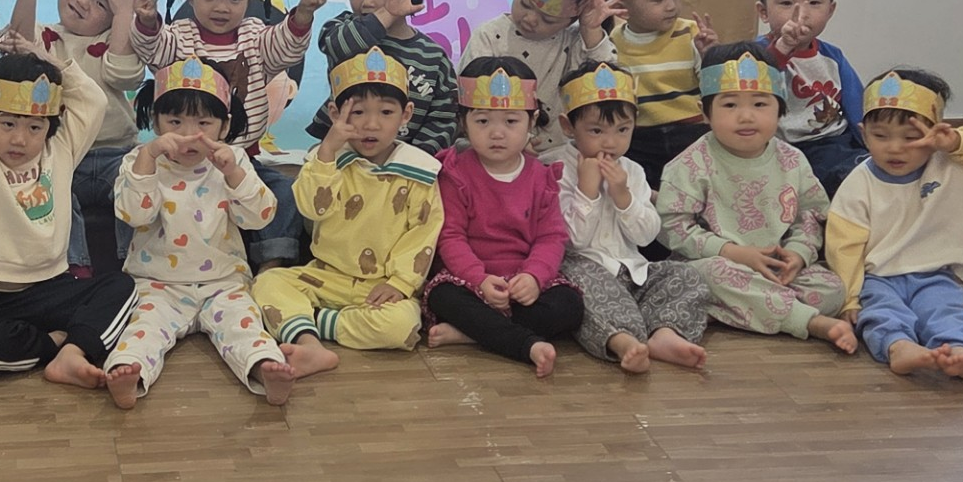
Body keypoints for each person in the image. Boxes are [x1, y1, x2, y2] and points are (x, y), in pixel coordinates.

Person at [104, 59, 314, 409]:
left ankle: (265, 369)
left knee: (246, 330)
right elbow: (134, 213)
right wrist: (149, 157)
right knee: (142, 332)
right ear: (155, 121)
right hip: (158, 283)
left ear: (224, 125)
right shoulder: (140, 161)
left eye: (203, 123)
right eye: (175, 122)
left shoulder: (233, 161)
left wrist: (233, 174)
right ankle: (129, 373)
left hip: (224, 282)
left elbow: (260, 216)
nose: (189, 135)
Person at [0, 28, 137, 387]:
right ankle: (59, 342)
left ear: (48, 127)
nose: (19, 138)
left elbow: (93, 101)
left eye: (34, 127)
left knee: (122, 287)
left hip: (55, 287)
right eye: (7, 124)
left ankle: (72, 354)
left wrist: (51, 61)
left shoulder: (61, 150)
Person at [131, 0, 331, 268]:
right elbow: (154, 47)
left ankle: (272, 263)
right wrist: (149, 22)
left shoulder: (255, 35)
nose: (221, 7)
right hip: (181, 163)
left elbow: (285, 46)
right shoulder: (180, 35)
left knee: (282, 192)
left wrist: (303, 15)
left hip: (242, 159)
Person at [656, 43, 856, 353]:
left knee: (831, 288)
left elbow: (811, 216)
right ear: (704, 113)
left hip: (775, 270)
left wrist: (797, 255)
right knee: (707, 277)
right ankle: (807, 321)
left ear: (781, 109)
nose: (746, 116)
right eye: (730, 105)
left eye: (760, 104)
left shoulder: (793, 160)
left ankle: (742, 308)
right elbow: (672, 225)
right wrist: (733, 253)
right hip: (716, 265)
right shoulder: (690, 164)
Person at [252, 48, 441, 367]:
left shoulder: (418, 171)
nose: (371, 124)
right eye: (358, 112)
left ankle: (313, 323)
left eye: (386, 112)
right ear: (334, 112)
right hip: (324, 277)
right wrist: (327, 151)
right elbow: (311, 208)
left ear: (406, 114)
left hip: (380, 287)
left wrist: (400, 284)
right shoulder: (327, 160)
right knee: (267, 284)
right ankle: (309, 343)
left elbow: (422, 236)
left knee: (401, 326)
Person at [826, 69, 963, 380]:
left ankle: (961, 350)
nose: (895, 148)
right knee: (880, 312)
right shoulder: (859, 183)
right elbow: (843, 247)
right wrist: (850, 298)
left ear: (936, 132)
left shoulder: (958, 167)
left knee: (945, 309)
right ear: (863, 134)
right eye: (880, 136)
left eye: (911, 138)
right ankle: (899, 347)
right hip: (878, 277)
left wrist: (957, 142)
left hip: (936, 273)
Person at [543, 62, 713, 373]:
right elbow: (572, 241)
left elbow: (646, 236)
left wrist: (623, 196)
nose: (611, 142)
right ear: (568, 126)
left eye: (623, 130)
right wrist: (586, 191)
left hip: (632, 270)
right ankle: (622, 341)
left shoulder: (632, 171)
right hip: (582, 269)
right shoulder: (554, 169)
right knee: (581, 291)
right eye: (596, 131)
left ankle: (665, 333)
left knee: (686, 275)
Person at [421, 58, 581, 378]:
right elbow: (451, 237)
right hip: (470, 281)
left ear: (531, 121)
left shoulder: (542, 177)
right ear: (463, 122)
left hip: (522, 281)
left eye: (510, 121)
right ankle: (523, 344)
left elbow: (551, 237)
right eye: (482, 121)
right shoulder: (455, 173)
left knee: (569, 306)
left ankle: (475, 332)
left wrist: (533, 277)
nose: (497, 133)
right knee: (443, 296)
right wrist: (479, 280)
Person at [8, 0, 150, 274]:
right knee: (51, 190)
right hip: (66, 154)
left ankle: (135, 264)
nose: (85, 2)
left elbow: (123, 75)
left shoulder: (116, 41)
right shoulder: (44, 35)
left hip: (117, 153)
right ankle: (74, 267)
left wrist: (125, 15)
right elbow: (18, 50)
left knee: (137, 185)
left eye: (103, 4)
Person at [461, 0, 622, 155]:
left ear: (571, 20)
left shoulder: (576, 42)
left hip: (559, 153)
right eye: (524, 4)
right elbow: (473, 102)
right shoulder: (489, 36)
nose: (530, 19)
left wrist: (591, 30)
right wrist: (516, 139)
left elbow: (606, 86)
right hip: (494, 148)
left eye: (548, 19)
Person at [308, 0, 459, 157]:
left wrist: (414, 159)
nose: (367, 1)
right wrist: (387, 12)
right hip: (342, 150)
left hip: (405, 159)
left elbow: (443, 118)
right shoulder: (341, 29)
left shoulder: (433, 56)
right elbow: (338, 47)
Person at [751, 0, 867, 196]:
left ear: (830, 10)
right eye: (786, 2)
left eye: (814, 2)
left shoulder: (832, 56)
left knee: (863, 169)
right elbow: (757, 84)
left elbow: (857, 104)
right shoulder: (756, 53)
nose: (801, 13)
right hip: (778, 146)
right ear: (763, 12)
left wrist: (873, 142)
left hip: (832, 140)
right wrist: (784, 48)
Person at [599, 0, 712, 187]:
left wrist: (709, 56)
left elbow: (714, 90)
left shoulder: (691, 33)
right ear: (623, 9)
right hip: (640, 137)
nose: (671, 5)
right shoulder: (612, 45)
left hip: (690, 132)